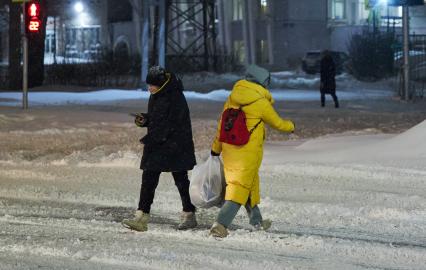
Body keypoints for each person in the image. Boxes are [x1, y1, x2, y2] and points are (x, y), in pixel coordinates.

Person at [209, 64, 295, 238]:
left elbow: (222, 126)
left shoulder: (232, 98)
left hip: (230, 150)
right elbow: (278, 123)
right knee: (239, 189)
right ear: (263, 81)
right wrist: (291, 126)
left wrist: (216, 148)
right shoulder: (260, 102)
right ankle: (220, 225)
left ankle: (257, 221)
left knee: (248, 185)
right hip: (247, 153)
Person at [122, 66, 197, 232]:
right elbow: (158, 118)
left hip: (175, 145)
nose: (149, 88)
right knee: (148, 179)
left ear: (161, 84)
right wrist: (145, 120)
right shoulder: (156, 94)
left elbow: (173, 123)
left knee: (181, 181)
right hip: (159, 143)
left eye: (152, 85)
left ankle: (189, 213)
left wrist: (152, 137)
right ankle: (141, 217)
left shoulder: (176, 96)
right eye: (148, 85)